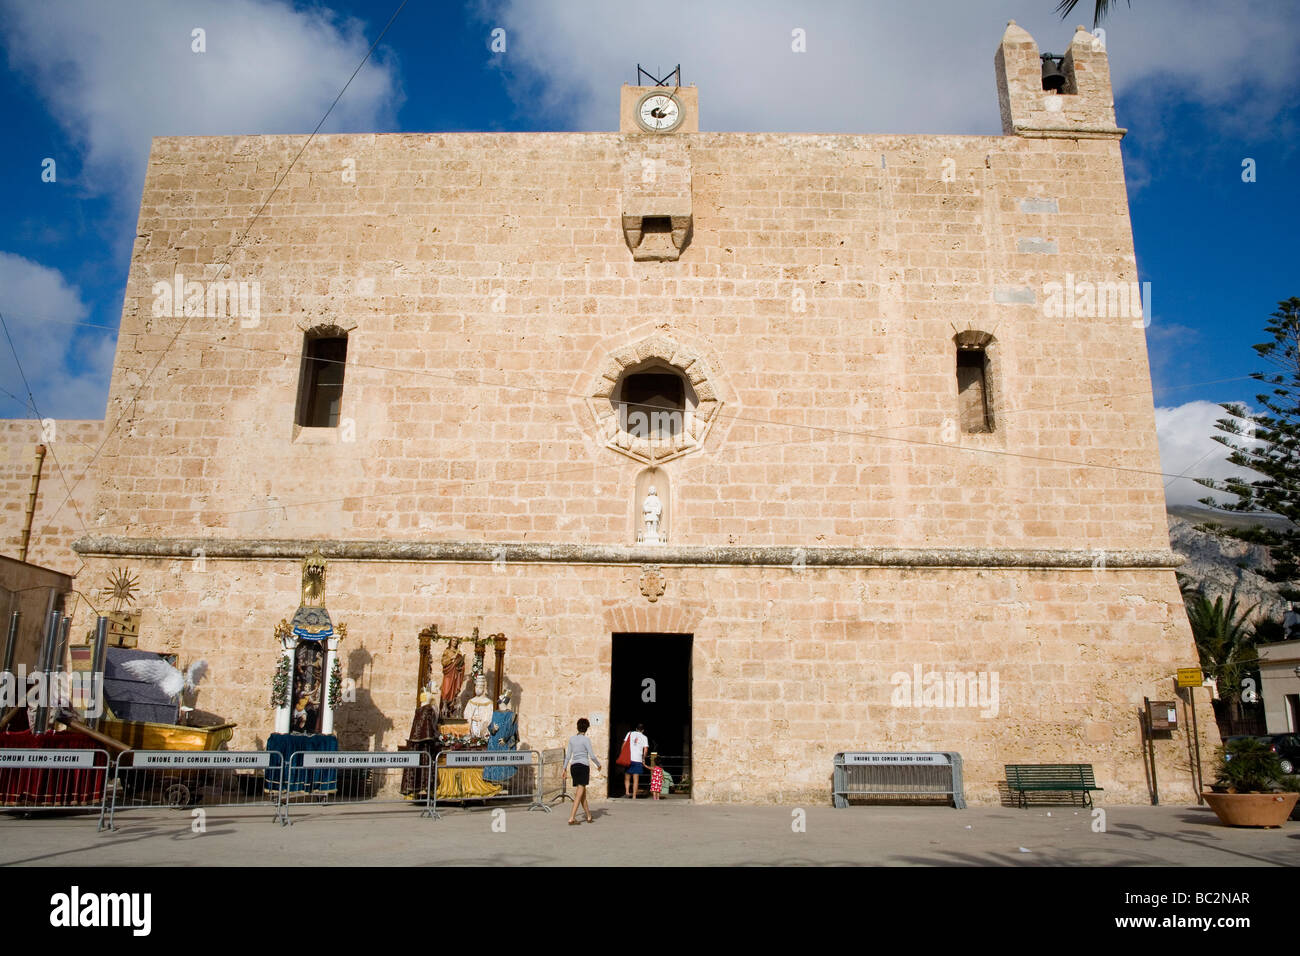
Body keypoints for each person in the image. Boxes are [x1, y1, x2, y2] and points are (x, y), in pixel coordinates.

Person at [562, 717, 601, 825]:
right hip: (583, 766)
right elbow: (592, 755)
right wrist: (598, 765)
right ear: (587, 728)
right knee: (579, 793)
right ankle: (572, 817)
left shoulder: (572, 739)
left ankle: (588, 816)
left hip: (574, 766)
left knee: (582, 793)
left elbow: (568, 756)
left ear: (577, 727)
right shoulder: (586, 740)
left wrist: (564, 768)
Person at [623, 723, 649, 799]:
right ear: (643, 730)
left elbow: (624, 744)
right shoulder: (644, 737)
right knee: (636, 779)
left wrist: (622, 755)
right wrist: (643, 758)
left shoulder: (629, 733)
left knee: (627, 776)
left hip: (629, 758)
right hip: (638, 759)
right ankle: (634, 796)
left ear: (636, 729)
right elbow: (646, 749)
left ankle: (627, 792)